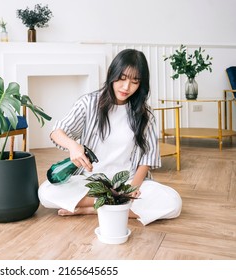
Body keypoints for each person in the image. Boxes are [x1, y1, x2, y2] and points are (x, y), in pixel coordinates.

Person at [38, 49, 182, 226]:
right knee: (46, 193)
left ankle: (93, 208)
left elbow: (147, 157)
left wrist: (132, 189)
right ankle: (116, 206)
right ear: (112, 74)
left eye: (134, 81)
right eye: (122, 78)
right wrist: (73, 146)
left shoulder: (145, 115)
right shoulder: (89, 103)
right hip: (90, 182)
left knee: (173, 203)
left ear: (141, 84)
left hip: (128, 182)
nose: (126, 87)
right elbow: (57, 132)